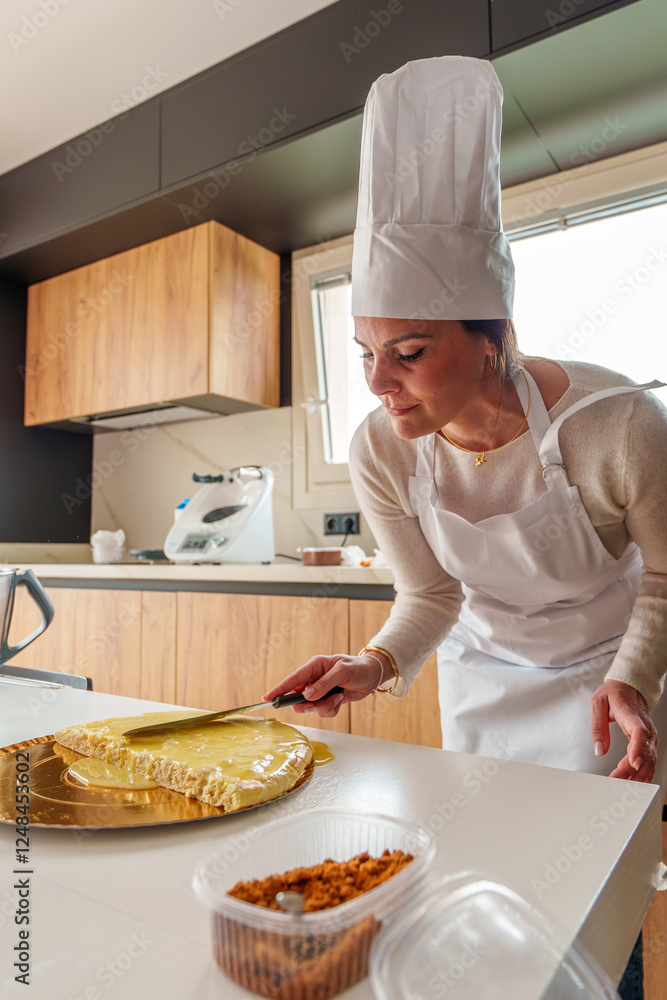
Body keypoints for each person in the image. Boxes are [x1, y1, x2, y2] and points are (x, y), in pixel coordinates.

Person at [264, 56, 666, 1000]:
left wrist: (631, 679)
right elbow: (432, 594)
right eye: (364, 354)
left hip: (609, 685)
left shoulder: (617, 424)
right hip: (483, 683)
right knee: (484, 887)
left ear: (493, 340)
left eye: (407, 352)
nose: (378, 383)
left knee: (593, 907)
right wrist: (372, 664)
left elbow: (663, 578)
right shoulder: (382, 447)